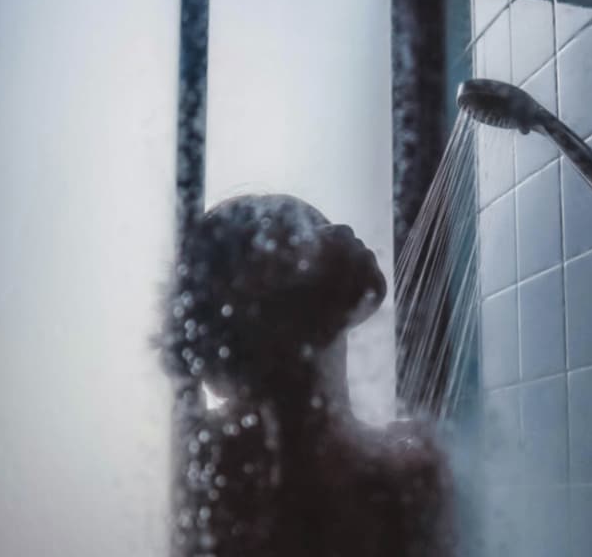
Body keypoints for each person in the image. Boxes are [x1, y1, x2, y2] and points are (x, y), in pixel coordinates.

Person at [162, 194, 453, 557]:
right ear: (257, 300)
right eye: (301, 232)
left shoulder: (395, 457)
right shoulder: (233, 462)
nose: (343, 231)